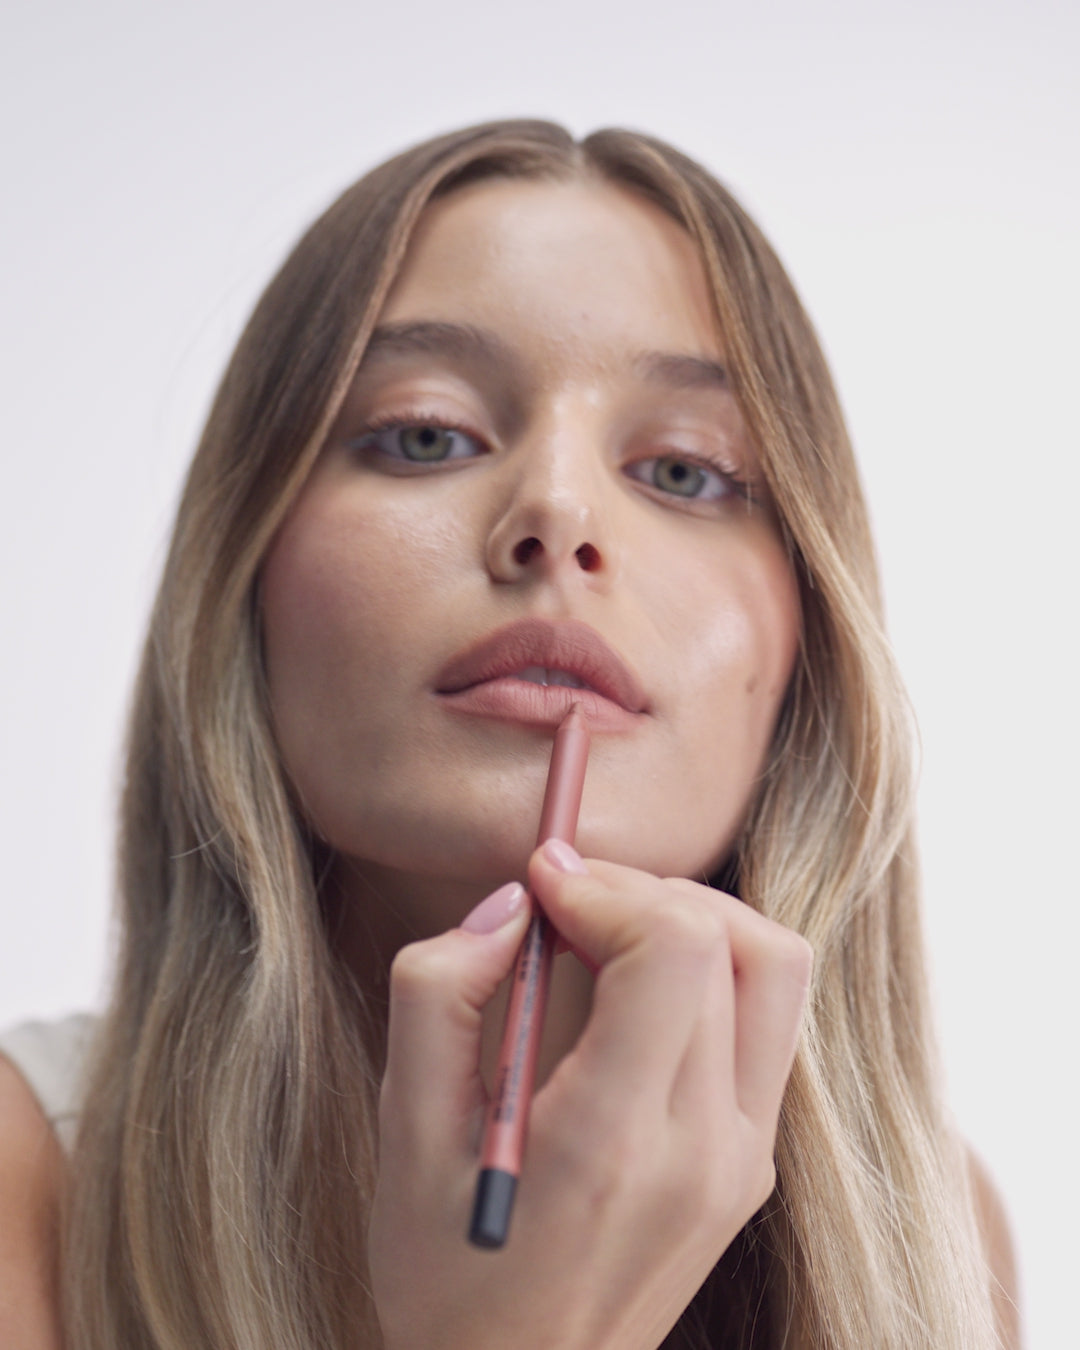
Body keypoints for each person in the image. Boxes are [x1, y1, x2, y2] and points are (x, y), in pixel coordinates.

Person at [0, 119, 1020, 1349]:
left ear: (808, 650)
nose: (559, 511)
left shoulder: (938, 1232)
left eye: (686, 470)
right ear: (243, 585)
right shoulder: (25, 1182)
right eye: (424, 434)